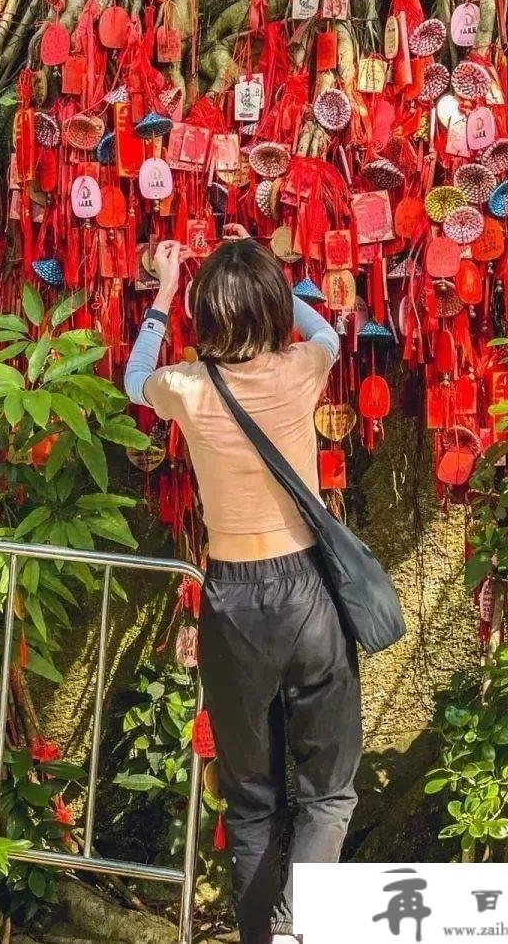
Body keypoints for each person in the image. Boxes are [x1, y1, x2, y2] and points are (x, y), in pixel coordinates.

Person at [124, 228, 360, 944]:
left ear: (205, 316)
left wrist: (164, 293)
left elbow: (135, 378)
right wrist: (269, 275)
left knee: (253, 803)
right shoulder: (300, 370)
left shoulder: (188, 388)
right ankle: (302, 928)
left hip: (231, 597)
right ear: (266, 308)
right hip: (308, 592)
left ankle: (262, 937)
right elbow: (329, 331)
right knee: (330, 791)